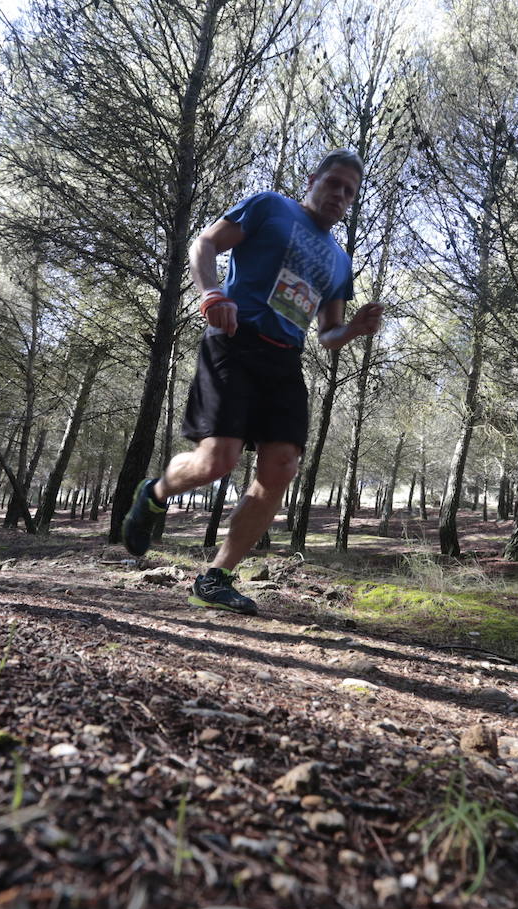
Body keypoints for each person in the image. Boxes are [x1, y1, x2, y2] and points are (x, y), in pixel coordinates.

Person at [121, 149, 384, 614]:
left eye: (349, 191)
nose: (339, 195)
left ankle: (216, 577)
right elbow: (204, 243)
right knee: (217, 461)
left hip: (286, 361)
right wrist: (211, 293)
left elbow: (327, 334)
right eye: (334, 183)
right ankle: (154, 493)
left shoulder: (340, 262)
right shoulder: (270, 207)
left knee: (280, 469)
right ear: (313, 179)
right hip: (235, 341)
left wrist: (356, 329)